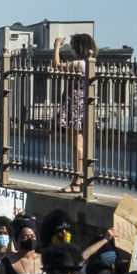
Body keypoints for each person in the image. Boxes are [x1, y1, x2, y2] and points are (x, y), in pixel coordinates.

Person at [52, 33, 97, 194]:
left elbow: (56, 65)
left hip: (75, 105)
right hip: (78, 104)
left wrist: (56, 46)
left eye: (73, 46)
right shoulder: (87, 63)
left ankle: (78, 180)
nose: (71, 49)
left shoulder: (79, 64)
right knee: (75, 143)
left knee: (76, 143)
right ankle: (79, 178)